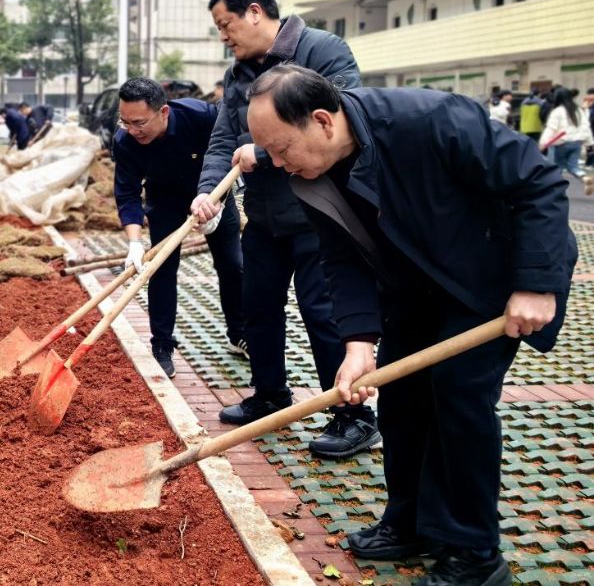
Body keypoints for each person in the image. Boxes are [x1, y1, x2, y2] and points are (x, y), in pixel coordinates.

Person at [244, 65, 573, 586]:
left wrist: (537, 283)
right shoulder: (312, 175)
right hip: (414, 285)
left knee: (458, 395)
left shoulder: (433, 120)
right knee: (400, 396)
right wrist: (358, 342)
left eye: (281, 149)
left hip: (486, 281)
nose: (278, 164)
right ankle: (412, 523)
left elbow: (540, 182)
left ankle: (475, 556)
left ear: (323, 121)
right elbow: (341, 258)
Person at [191, 0, 379, 459]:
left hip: (320, 213)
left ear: (255, 12)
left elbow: (341, 118)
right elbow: (222, 140)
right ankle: (270, 394)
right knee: (257, 305)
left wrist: (264, 152)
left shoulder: (323, 50)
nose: (224, 36)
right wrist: (207, 193)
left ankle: (354, 415)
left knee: (325, 313)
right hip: (265, 216)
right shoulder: (238, 74)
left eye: (226, 24)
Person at [113, 77, 246, 377]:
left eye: (139, 123)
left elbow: (228, 154)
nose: (132, 130)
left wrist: (217, 201)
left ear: (163, 112)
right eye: (125, 122)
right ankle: (162, 344)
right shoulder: (125, 141)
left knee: (233, 265)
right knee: (161, 269)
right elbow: (127, 193)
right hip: (165, 201)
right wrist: (134, 242)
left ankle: (240, 334)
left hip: (211, 195)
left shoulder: (201, 117)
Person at [539, 87, 594, 195]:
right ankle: (584, 177)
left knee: (556, 167)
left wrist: (543, 143)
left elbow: (551, 129)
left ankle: (556, 190)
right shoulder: (578, 110)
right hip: (577, 143)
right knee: (573, 166)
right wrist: (590, 143)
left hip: (561, 143)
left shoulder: (557, 111)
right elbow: (585, 127)